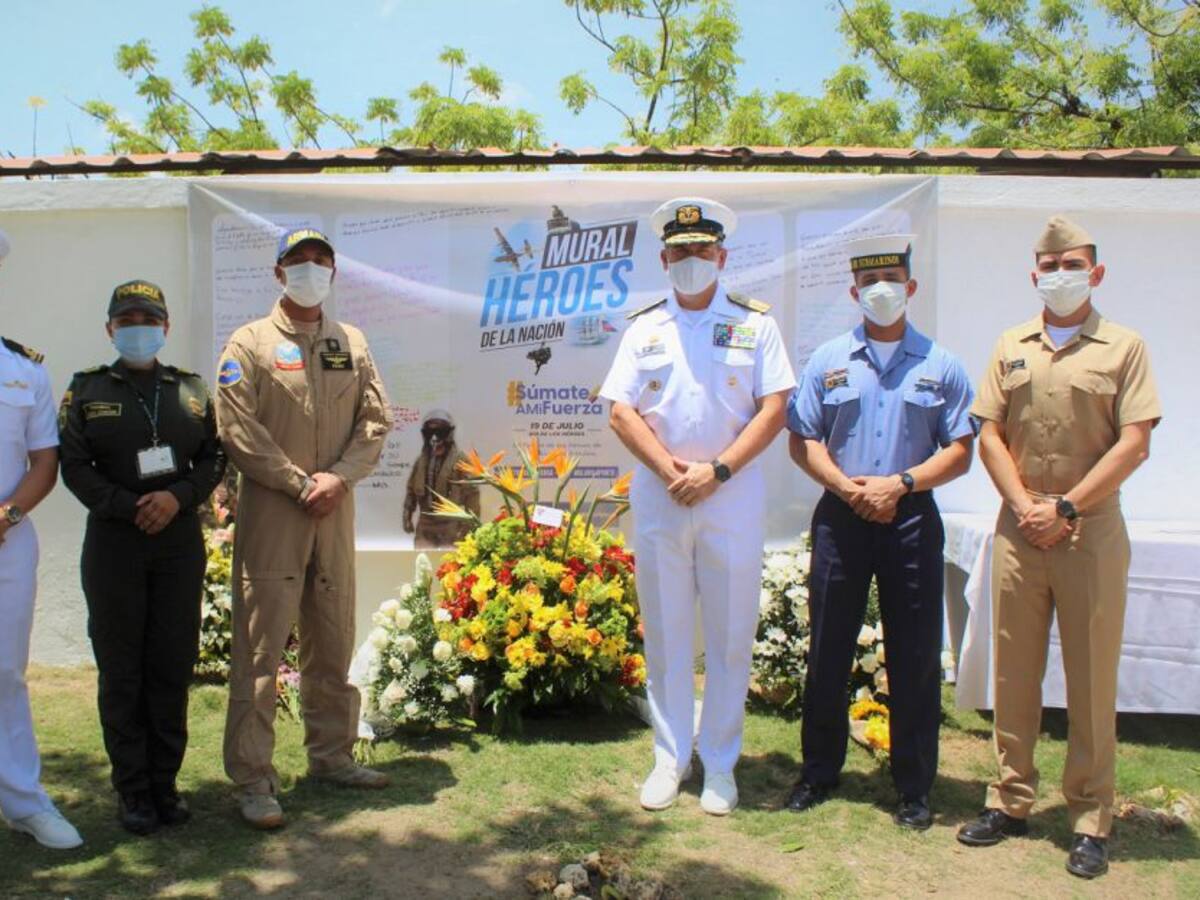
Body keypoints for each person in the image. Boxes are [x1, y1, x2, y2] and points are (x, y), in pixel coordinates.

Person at [956, 216, 1160, 879]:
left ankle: (1090, 817)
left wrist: (1068, 506)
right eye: (1049, 266)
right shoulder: (1010, 344)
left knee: (1092, 676)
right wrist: (1024, 505)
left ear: (1095, 273)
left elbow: (1135, 442)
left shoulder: (1123, 347)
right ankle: (1011, 798)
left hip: (1090, 532)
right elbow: (988, 432)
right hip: (1020, 528)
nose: (1060, 275)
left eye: (1072, 264)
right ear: (1034, 274)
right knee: (1013, 670)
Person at [600, 198, 795, 816]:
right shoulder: (643, 327)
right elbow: (619, 410)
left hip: (731, 499)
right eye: (680, 251)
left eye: (702, 250)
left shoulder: (755, 323)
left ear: (722, 256)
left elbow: (775, 408)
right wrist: (670, 470)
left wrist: (718, 471)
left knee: (732, 634)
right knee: (666, 634)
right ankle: (670, 757)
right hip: (661, 498)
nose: (691, 260)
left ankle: (720, 763)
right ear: (664, 258)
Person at [784, 235, 975, 829]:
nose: (880, 290)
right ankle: (818, 771)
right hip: (842, 514)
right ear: (854, 292)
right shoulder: (828, 360)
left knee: (915, 655)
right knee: (828, 649)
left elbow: (962, 449)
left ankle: (915, 787)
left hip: (911, 516)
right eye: (870, 282)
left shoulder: (940, 364)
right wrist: (847, 487)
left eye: (892, 278)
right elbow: (803, 438)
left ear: (911, 288)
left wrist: (902, 483)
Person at [215, 227, 393, 829]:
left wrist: (338, 479)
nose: (311, 269)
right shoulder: (249, 343)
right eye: (299, 261)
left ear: (333, 274)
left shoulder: (351, 341)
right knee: (261, 650)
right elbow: (239, 431)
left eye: (321, 261)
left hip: (333, 511)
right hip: (276, 512)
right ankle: (254, 778)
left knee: (333, 636)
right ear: (278, 272)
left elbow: (375, 422)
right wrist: (298, 483)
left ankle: (332, 756)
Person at [59, 279, 226, 835]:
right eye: (127, 320)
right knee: (122, 669)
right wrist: (131, 506)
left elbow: (213, 458)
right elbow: (75, 467)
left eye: (148, 319)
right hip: (115, 543)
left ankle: (165, 784)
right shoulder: (85, 391)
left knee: (171, 665)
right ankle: (132, 790)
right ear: (110, 329)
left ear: (166, 328)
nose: (138, 329)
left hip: (178, 542)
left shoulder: (192, 391)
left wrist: (177, 497)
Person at [0, 228, 84, 850]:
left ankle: (23, 801)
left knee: (4, 673)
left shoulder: (22, 368)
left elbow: (44, 462)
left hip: (7, 540)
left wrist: (4, 518)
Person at [403, 409, 480, 549]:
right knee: (422, 561)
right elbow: (411, 490)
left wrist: (468, 527)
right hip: (425, 524)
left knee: (450, 567)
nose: (434, 438)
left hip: (451, 524)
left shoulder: (461, 461)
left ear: (449, 433)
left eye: (440, 432)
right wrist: (407, 514)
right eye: (430, 433)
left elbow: (472, 494)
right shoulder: (421, 461)